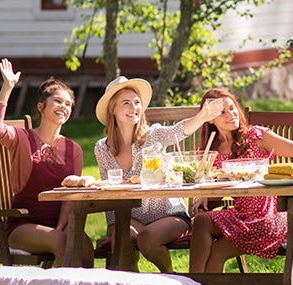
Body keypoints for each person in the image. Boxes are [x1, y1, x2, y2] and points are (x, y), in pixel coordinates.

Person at [93, 77, 221, 270]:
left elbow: (178, 131)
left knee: (147, 239)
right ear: (112, 109)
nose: (133, 108)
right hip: (128, 216)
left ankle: (170, 278)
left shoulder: (153, 135)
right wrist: (114, 226)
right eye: (126, 103)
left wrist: (202, 117)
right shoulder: (101, 148)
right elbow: (108, 193)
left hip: (169, 215)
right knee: (122, 238)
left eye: (137, 103)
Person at [188, 87, 293, 274]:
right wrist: (204, 194)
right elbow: (209, 180)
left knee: (217, 251)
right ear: (209, 118)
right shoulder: (212, 148)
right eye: (222, 112)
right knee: (202, 220)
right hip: (239, 216)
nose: (231, 115)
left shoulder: (256, 136)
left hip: (268, 219)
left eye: (232, 108)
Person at [0, 61, 92, 264]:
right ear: (41, 106)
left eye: (68, 104)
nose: (64, 107)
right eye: (58, 101)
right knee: (62, 242)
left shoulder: (74, 150)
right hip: (22, 225)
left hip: (57, 226)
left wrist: (61, 227)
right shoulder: (21, 138)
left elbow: (69, 198)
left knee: (85, 245)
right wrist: (7, 87)